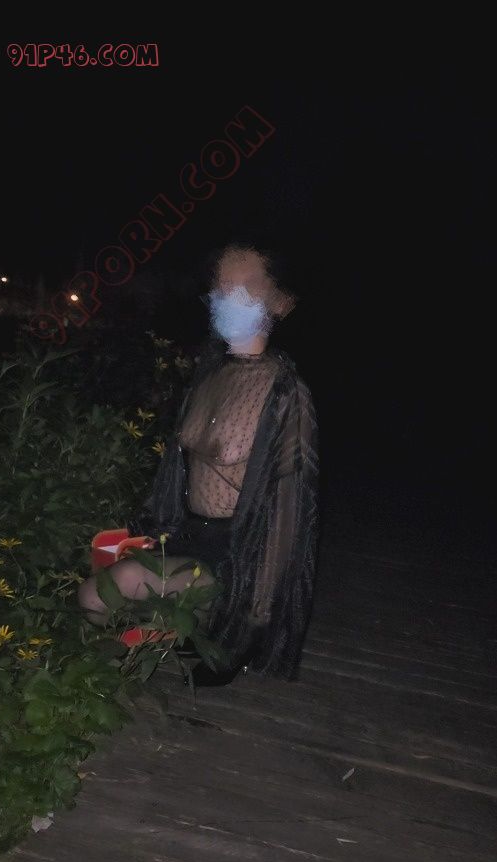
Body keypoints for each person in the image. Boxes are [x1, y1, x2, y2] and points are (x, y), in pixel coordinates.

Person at [78, 245, 319, 684]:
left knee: (110, 591)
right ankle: (149, 648)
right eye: (223, 286)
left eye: (246, 287)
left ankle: (200, 632)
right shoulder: (209, 374)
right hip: (185, 539)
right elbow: (173, 479)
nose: (230, 297)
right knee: (94, 593)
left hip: (234, 561)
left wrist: (256, 613)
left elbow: (289, 511)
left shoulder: (286, 392)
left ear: (281, 302)